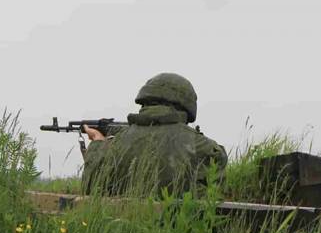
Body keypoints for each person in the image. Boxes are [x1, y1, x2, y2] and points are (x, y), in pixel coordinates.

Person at [81, 73, 227, 196]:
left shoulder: (115, 145)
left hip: (123, 221)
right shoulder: (208, 150)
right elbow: (214, 199)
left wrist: (98, 144)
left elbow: (90, 189)